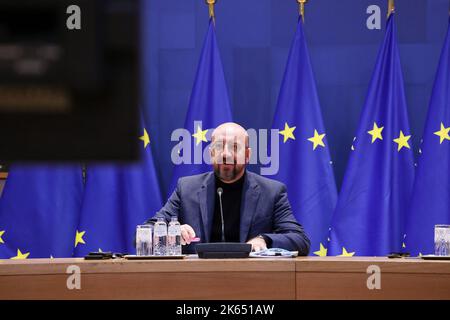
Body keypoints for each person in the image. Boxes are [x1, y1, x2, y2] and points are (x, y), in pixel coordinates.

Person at [146, 122, 310, 255]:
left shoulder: (272, 192)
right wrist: (172, 231)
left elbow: (300, 240)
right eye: (219, 146)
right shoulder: (187, 188)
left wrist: (264, 240)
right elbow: (146, 233)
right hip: (196, 281)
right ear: (211, 153)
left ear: (247, 155)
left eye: (234, 147)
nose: (226, 154)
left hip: (254, 282)